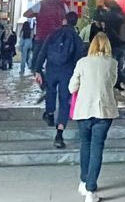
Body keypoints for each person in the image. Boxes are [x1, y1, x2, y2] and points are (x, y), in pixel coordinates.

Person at [69, 33, 119, 202]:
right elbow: (111, 83)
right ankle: (91, 189)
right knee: (97, 147)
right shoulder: (112, 63)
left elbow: (71, 87)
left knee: (85, 145)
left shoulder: (82, 63)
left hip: (84, 110)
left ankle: (84, 181)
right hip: (103, 111)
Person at [34, 11, 83, 147]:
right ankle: (59, 134)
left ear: (64, 21)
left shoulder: (53, 34)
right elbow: (79, 59)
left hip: (51, 69)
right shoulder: (76, 37)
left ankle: (49, 113)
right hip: (67, 72)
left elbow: (43, 51)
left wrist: (38, 69)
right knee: (64, 101)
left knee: (50, 91)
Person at [24, 0, 68, 71]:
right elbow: (67, 18)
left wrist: (36, 15)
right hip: (57, 37)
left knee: (37, 63)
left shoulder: (41, 4)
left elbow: (26, 14)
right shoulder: (62, 5)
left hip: (42, 36)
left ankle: (39, 77)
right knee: (54, 63)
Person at [99, 0, 125, 92]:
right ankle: (117, 83)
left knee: (111, 65)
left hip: (113, 44)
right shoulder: (122, 14)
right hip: (123, 43)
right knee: (119, 66)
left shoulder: (108, 16)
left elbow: (106, 29)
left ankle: (123, 83)